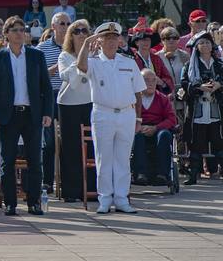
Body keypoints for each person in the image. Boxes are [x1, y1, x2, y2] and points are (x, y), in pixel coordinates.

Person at [0, 16, 54, 216]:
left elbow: (46, 88)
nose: (19, 33)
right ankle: (10, 203)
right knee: (7, 161)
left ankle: (33, 202)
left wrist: (48, 112)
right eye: (14, 30)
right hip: (8, 115)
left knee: (34, 159)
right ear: (6, 34)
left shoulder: (35, 56)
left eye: (21, 29)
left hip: (32, 114)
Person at [77, 22, 145, 214]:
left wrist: (138, 119)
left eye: (115, 37)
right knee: (104, 158)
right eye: (107, 38)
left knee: (123, 159)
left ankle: (122, 199)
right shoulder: (94, 62)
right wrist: (86, 43)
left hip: (126, 113)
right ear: (99, 41)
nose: (112, 41)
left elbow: (138, 92)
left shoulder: (128, 62)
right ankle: (105, 199)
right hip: (103, 113)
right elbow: (81, 66)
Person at [57, 20, 96, 201]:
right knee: (71, 149)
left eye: (84, 31)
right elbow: (65, 76)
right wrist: (79, 60)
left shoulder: (96, 54)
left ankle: (92, 190)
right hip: (69, 105)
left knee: (92, 149)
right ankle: (71, 191)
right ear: (71, 35)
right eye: (77, 31)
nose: (81, 34)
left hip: (90, 103)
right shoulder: (64, 56)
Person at [179, 33, 223, 185]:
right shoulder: (190, 66)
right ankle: (193, 175)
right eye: (202, 43)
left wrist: (219, 85)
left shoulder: (219, 64)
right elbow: (185, 83)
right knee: (196, 143)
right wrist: (199, 87)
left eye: (208, 42)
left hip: (215, 107)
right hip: (197, 108)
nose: (205, 45)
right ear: (197, 47)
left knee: (219, 141)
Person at [38, 14, 72, 193]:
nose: (65, 27)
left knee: (68, 142)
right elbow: (38, 75)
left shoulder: (75, 47)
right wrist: (59, 66)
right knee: (49, 142)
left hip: (71, 96)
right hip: (50, 96)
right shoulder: (42, 48)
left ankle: (68, 183)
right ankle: (47, 181)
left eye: (68, 23)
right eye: (62, 23)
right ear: (53, 26)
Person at [132, 69, 177, 185]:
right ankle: (140, 173)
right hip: (139, 127)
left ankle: (162, 174)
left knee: (164, 135)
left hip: (158, 128)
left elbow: (172, 119)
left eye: (153, 80)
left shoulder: (162, 98)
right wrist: (138, 126)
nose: (150, 83)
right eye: (146, 80)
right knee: (137, 137)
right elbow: (127, 116)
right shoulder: (133, 99)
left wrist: (156, 128)